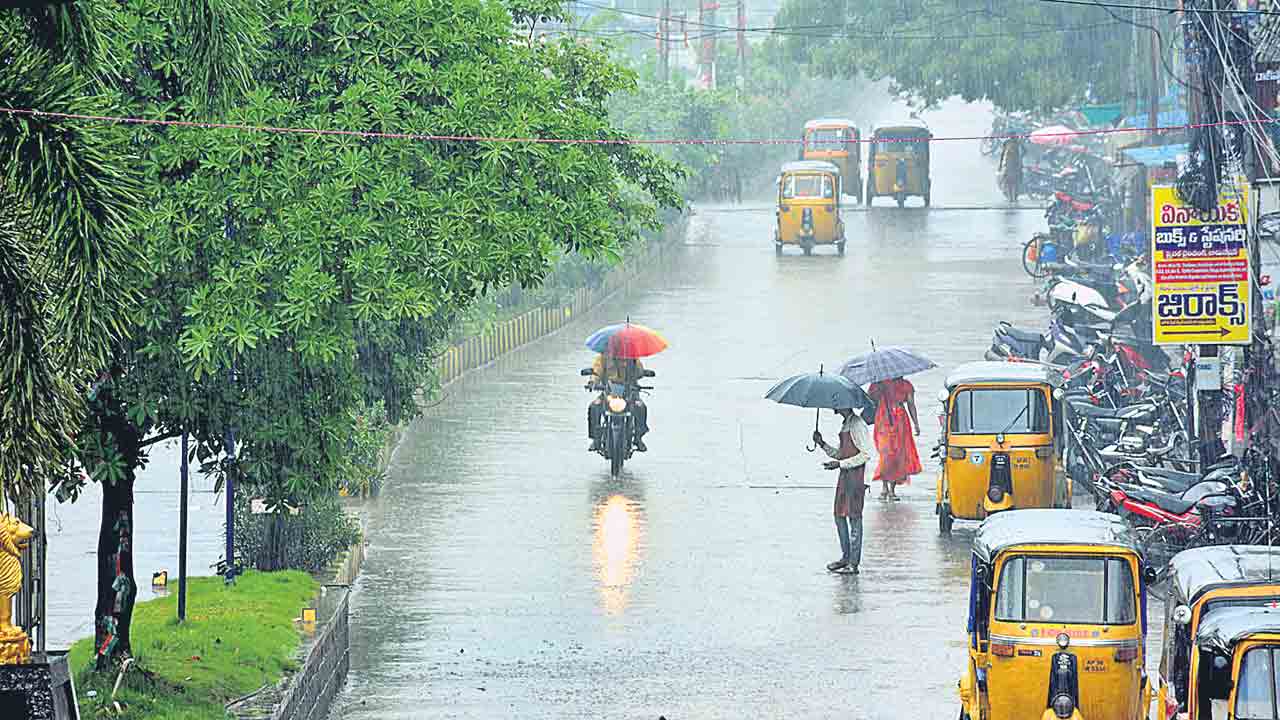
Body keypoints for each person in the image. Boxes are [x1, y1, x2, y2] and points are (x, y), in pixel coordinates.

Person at [813, 407, 872, 574]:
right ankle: (846, 557)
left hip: (856, 478)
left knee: (854, 518)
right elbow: (841, 454)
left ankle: (853, 563)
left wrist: (840, 464)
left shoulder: (857, 424)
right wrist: (822, 444)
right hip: (845, 477)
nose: (834, 407)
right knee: (839, 515)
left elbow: (865, 455)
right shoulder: (846, 423)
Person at [868, 377, 922, 501]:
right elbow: (870, 399)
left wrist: (916, 423)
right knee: (885, 453)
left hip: (900, 421)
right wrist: (878, 388)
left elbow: (911, 404)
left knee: (898, 455)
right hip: (884, 419)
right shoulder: (879, 384)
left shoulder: (906, 385)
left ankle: (891, 489)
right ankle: (884, 487)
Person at [587, 353, 649, 452]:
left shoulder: (632, 357)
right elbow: (596, 371)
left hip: (629, 393)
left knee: (641, 407)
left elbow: (639, 372)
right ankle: (596, 439)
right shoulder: (604, 356)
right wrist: (592, 382)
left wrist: (640, 370)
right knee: (594, 406)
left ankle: (638, 438)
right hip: (609, 393)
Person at [997, 138, 1023, 202]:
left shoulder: (1017, 142)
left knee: (1014, 182)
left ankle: (1014, 198)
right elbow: (1002, 154)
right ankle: (1012, 198)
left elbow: (1002, 154)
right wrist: (1000, 165)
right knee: (1010, 182)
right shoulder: (1009, 142)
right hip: (1011, 164)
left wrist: (1020, 157)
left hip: (1015, 165)